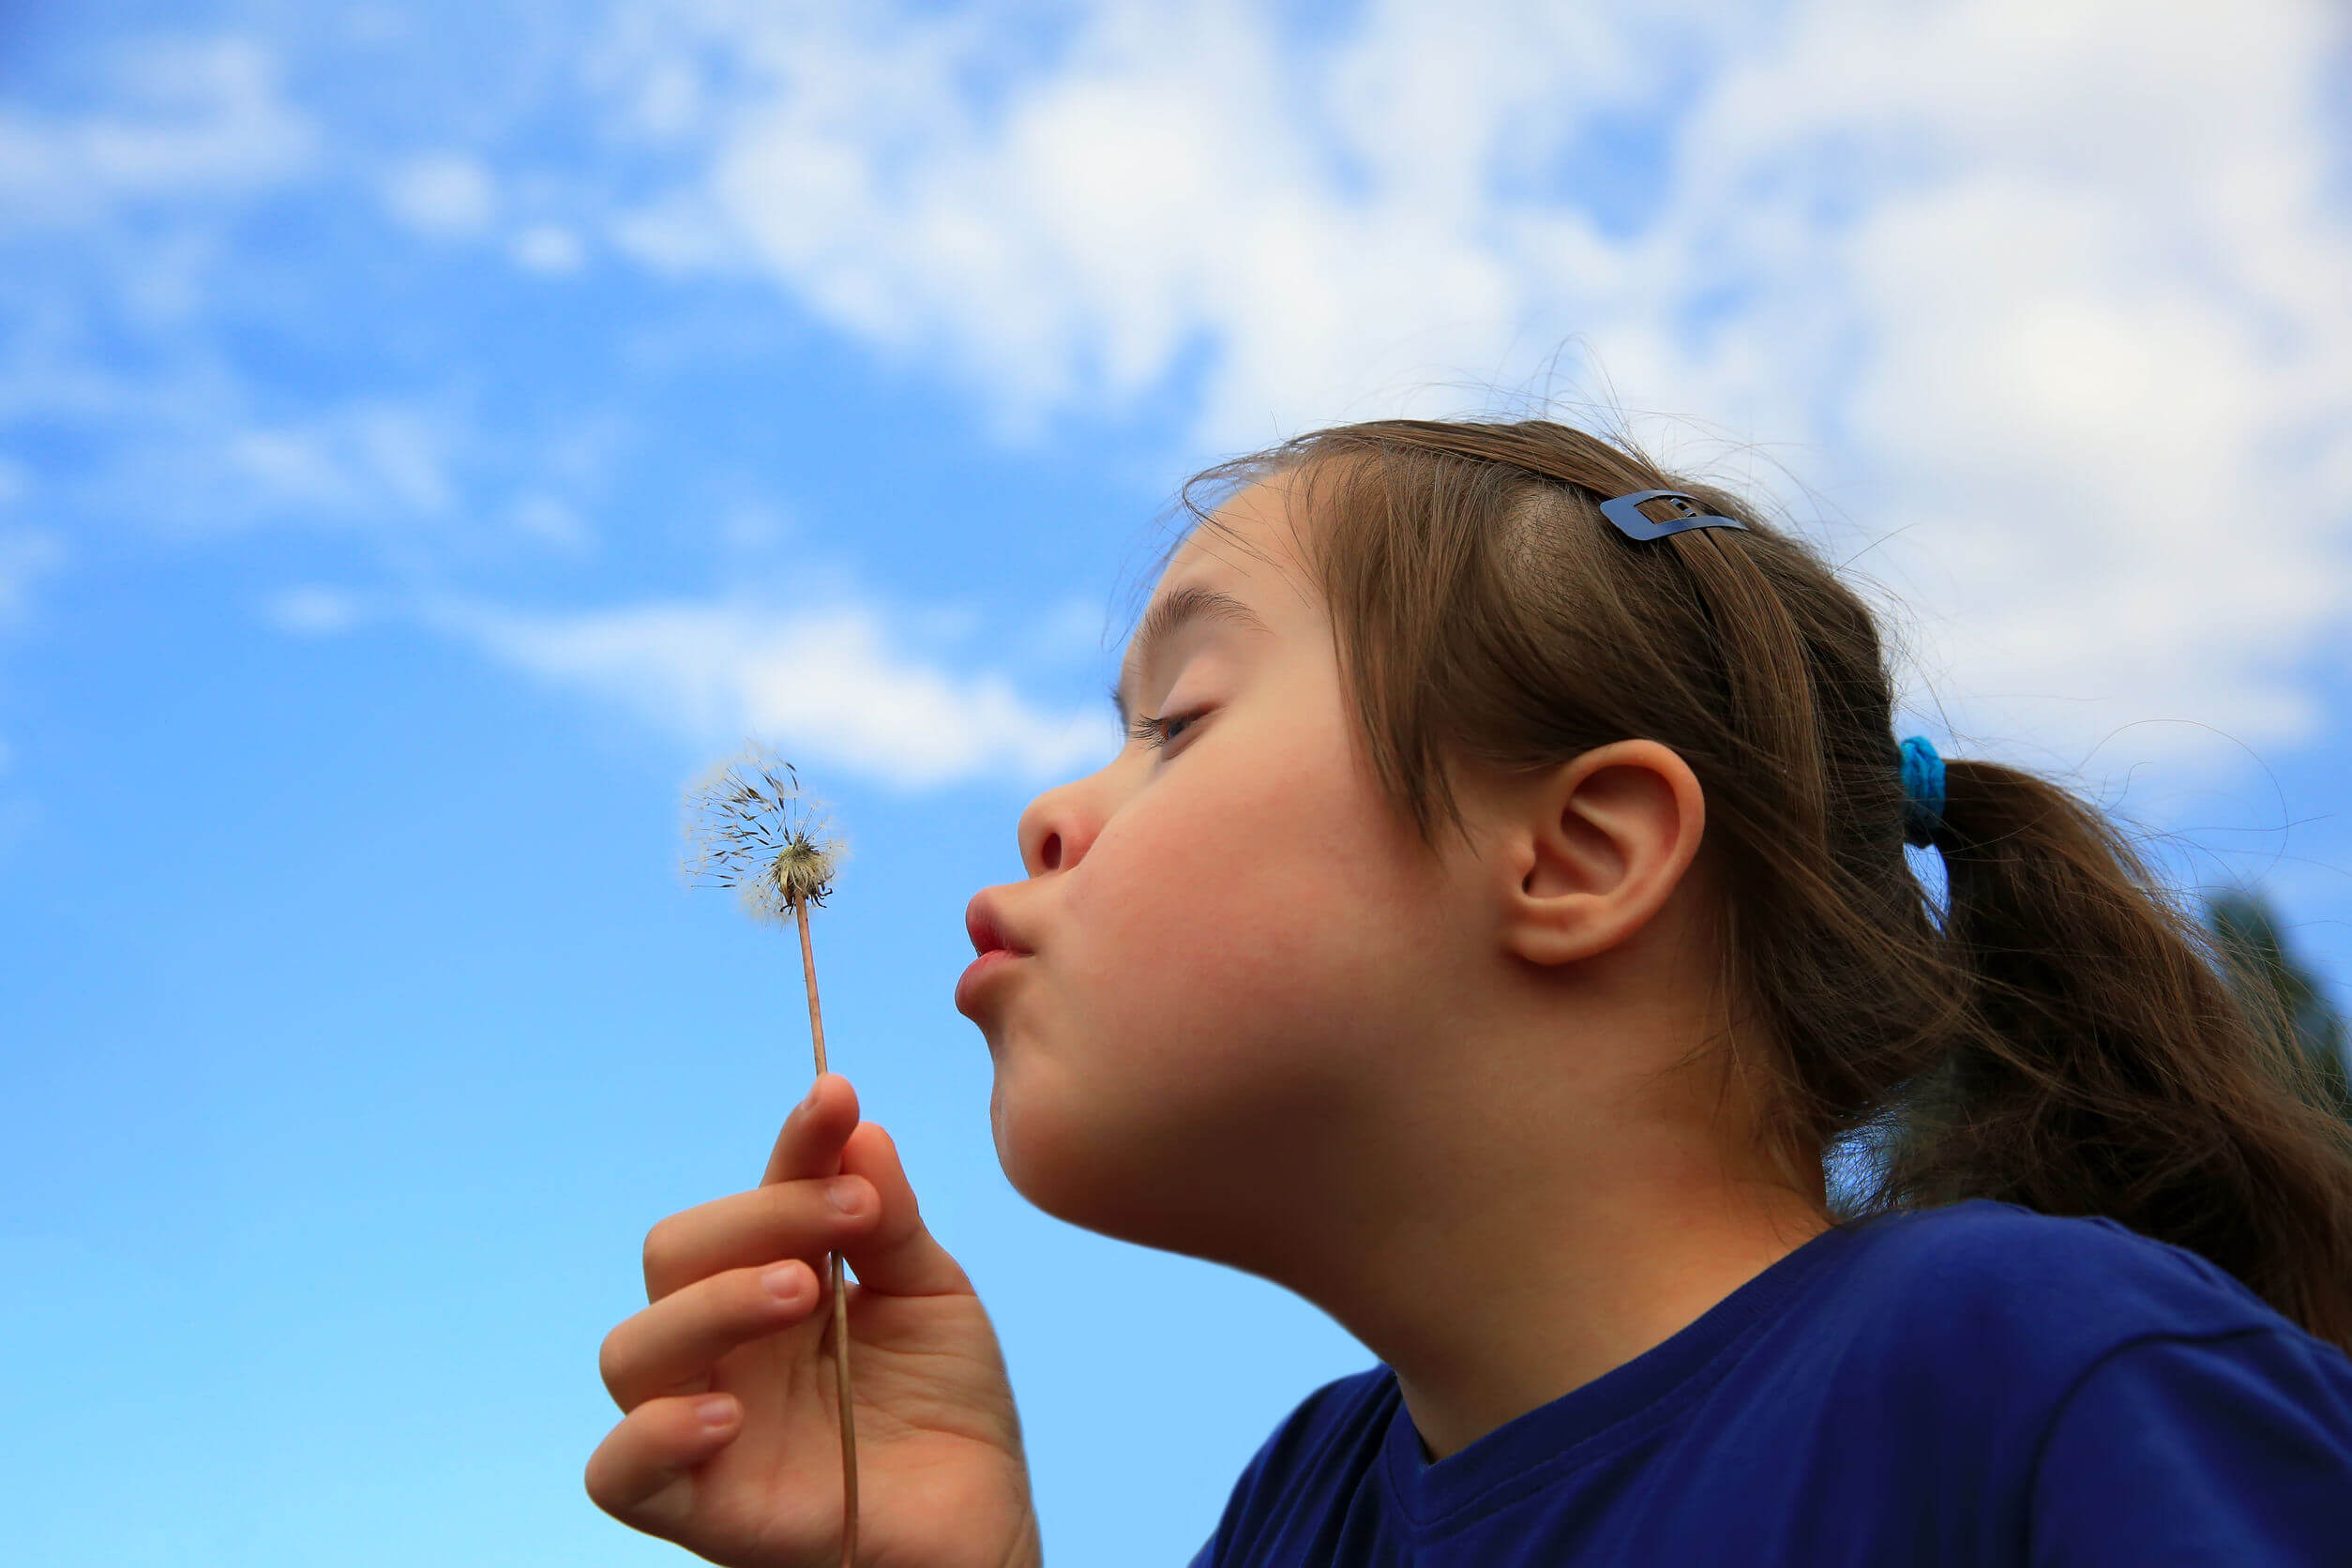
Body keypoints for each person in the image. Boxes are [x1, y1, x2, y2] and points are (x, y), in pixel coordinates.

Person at [584, 417, 2352, 1566]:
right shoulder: (1303, 1516)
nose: (1052, 810)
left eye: (1179, 722)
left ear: (1577, 855)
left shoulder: (2037, 1376)